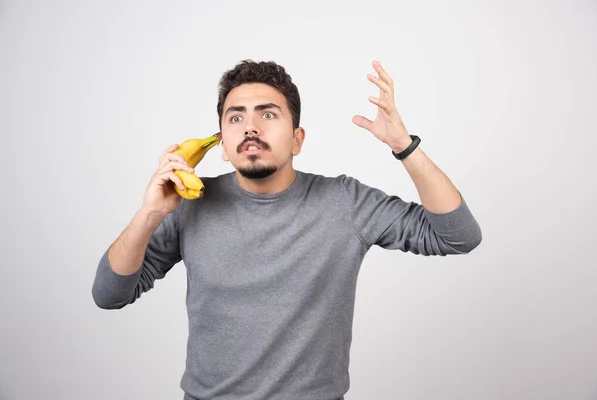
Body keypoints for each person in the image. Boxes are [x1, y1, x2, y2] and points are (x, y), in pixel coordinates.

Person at [92, 59, 482, 400]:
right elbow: (109, 295)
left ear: (297, 140)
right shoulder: (189, 203)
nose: (250, 127)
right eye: (236, 117)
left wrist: (404, 145)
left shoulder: (345, 201)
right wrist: (149, 214)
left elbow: (459, 235)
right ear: (223, 145)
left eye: (268, 114)